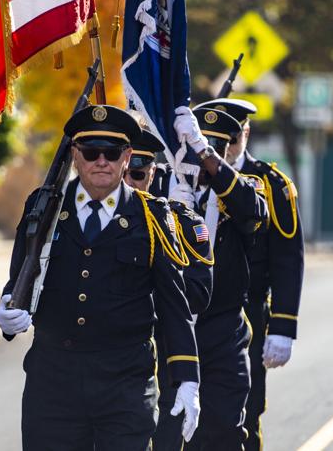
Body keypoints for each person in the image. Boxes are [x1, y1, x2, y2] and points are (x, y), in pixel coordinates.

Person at [0, 105, 201, 451]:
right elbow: (22, 274)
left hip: (124, 381)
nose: (101, 161)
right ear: (75, 155)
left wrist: (187, 377)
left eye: (112, 152)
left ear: (127, 157)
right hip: (53, 379)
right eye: (91, 152)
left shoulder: (152, 217)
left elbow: (173, 303)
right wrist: (6, 313)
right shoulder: (44, 207)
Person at [157, 105, 268, 450]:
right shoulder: (163, 184)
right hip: (170, 329)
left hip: (223, 331)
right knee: (167, 435)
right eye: (195, 152)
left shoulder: (242, 189)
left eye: (215, 152)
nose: (203, 165)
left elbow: (253, 211)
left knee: (223, 432)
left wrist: (204, 151)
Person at [196, 98, 305, 451]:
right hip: (192, 313)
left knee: (244, 410)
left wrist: (283, 326)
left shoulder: (269, 183)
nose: (224, 149)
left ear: (244, 133)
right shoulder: (187, 179)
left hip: (249, 312)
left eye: (232, 138)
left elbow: (288, 256)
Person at [124, 130, 214, 450]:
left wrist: (149, 290)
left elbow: (200, 293)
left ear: (152, 173)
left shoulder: (178, 221)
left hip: (162, 354)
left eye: (137, 174)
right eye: (124, 173)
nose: (130, 182)